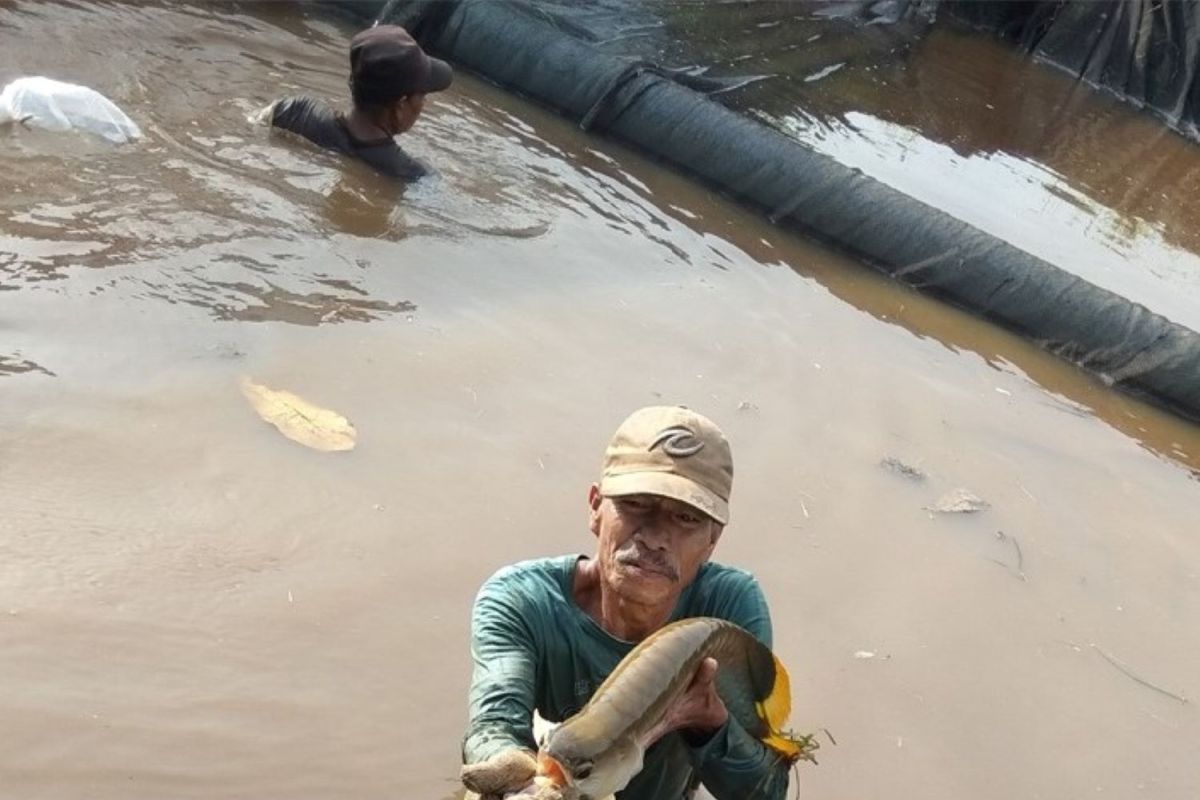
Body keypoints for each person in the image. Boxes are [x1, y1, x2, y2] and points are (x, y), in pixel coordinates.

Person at [463, 406, 791, 799]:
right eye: (636, 503)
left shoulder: (727, 606)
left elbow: (769, 790)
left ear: (712, 541)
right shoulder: (523, 600)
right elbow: (494, 720)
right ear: (596, 507)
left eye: (686, 518)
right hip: (552, 771)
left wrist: (712, 724)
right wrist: (505, 758)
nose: (654, 537)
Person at [266, 25, 452, 181]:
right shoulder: (411, 174)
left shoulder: (294, 111)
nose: (423, 105)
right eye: (423, 95)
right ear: (401, 104)